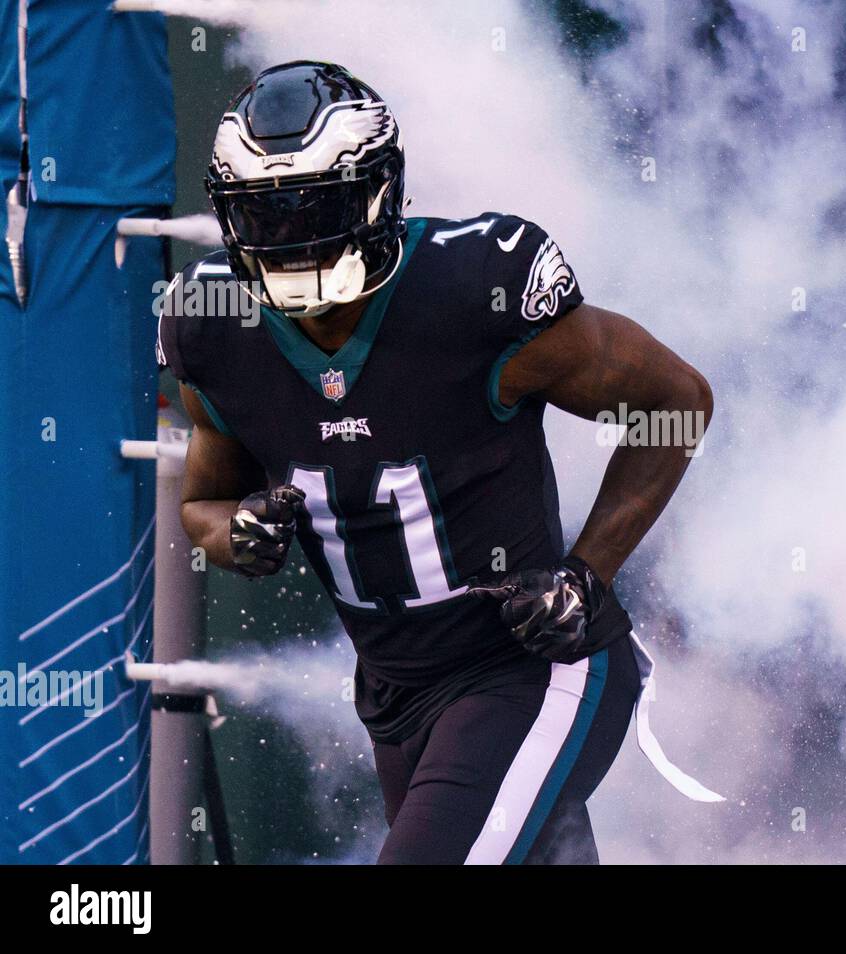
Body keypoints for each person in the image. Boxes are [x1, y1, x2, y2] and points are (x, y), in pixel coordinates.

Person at [156, 61, 720, 864]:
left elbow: (676, 401)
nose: (292, 237)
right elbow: (204, 501)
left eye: (314, 206)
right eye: (266, 215)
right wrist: (234, 529)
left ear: (378, 191)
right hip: (396, 697)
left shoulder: (473, 286)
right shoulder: (214, 331)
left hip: (532, 666)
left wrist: (586, 577)